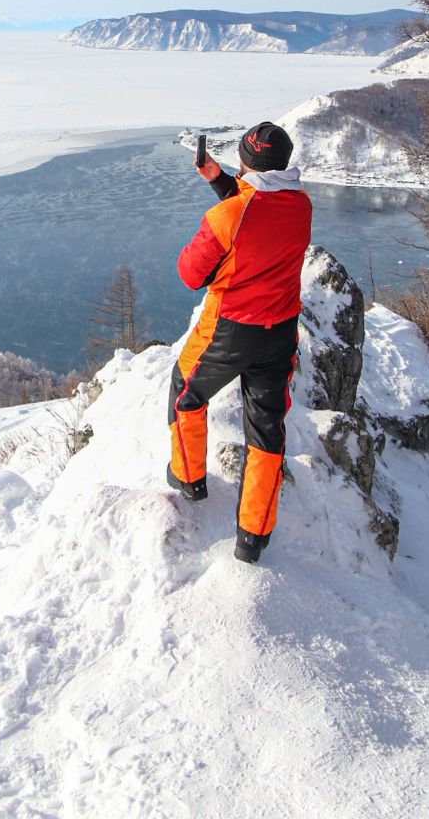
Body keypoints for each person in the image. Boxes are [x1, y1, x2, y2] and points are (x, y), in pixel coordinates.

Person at [166, 121, 313, 564]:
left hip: (230, 329)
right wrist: (220, 181)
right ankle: (253, 536)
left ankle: (188, 478)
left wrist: (225, 195)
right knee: (266, 430)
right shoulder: (301, 205)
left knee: (186, 393)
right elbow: (259, 208)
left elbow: (190, 274)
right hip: (280, 331)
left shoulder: (226, 217)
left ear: (245, 161)